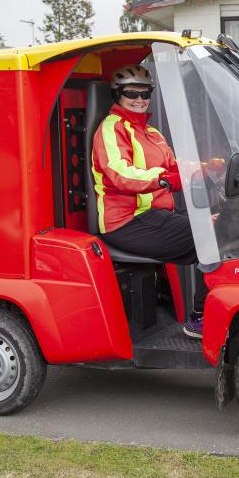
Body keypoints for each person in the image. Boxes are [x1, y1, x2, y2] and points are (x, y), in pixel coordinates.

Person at [91, 64, 207, 338]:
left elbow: (174, 164)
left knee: (220, 228)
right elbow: (119, 173)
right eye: (132, 93)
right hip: (127, 222)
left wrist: (207, 167)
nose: (140, 99)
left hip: (155, 215)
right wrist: (164, 179)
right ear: (117, 94)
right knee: (208, 238)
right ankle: (200, 319)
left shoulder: (151, 133)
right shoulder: (111, 128)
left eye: (145, 93)